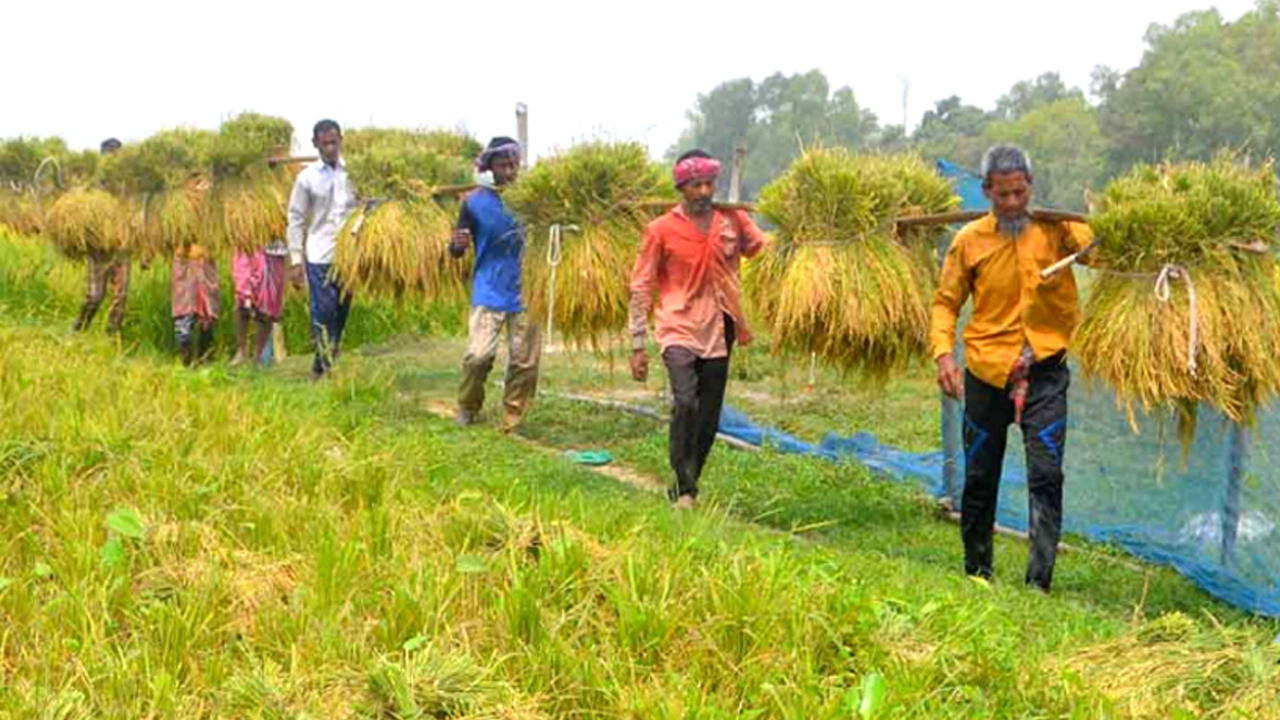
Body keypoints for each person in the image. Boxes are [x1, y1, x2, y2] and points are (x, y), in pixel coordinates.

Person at [930, 144, 1093, 592]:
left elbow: (1099, 252)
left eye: (1019, 193)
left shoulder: (1057, 232)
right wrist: (944, 355)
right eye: (1002, 195)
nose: (1012, 204)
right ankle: (977, 572)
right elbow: (946, 304)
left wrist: (1091, 224)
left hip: (1045, 369)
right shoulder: (970, 242)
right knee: (981, 475)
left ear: (1030, 187)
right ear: (986, 192)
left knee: (1046, 473)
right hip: (987, 373)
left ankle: (1038, 582)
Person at [628, 150, 768, 509]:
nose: (704, 191)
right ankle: (687, 487)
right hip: (677, 326)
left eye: (709, 184)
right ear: (682, 188)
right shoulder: (661, 230)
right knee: (686, 402)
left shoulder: (731, 220)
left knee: (708, 415)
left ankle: (687, 482)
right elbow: (642, 284)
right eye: (696, 185)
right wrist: (637, 344)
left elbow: (761, 250)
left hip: (722, 326)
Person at [449, 137, 541, 431]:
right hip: (488, 287)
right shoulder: (474, 203)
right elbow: (456, 248)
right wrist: (456, 245)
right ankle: (468, 405)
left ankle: (513, 416)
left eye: (514, 165)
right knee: (478, 356)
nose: (511, 171)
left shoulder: (534, 200)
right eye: (503, 165)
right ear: (490, 168)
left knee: (524, 361)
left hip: (527, 287)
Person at [287, 119, 358, 379]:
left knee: (342, 310)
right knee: (324, 309)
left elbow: (365, 207)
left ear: (341, 140)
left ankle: (321, 361)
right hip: (319, 254)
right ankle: (329, 366)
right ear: (315, 144)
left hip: (349, 255)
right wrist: (295, 260)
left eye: (334, 142)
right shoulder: (306, 179)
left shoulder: (353, 173)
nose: (330, 148)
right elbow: (295, 217)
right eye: (325, 143)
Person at [73, 138, 131, 335]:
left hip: (121, 247)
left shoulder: (127, 186)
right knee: (95, 295)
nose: (114, 159)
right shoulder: (92, 188)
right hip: (98, 249)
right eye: (110, 155)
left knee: (120, 296)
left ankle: (111, 336)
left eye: (117, 155)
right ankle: (78, 329)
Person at [172, 208, 221, 366]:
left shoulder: (212, 226)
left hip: (205, 280)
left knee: (207, 321)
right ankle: (186, 361)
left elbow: (214, 249)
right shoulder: (178, 223)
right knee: (184, 323)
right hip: (187, 282)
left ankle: (204, 359)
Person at [230, 239, 288, 366]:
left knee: (267, 309)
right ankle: (241, 350)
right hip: (248, 245)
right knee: (241, 300)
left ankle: (258, 355)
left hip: (272, 253)